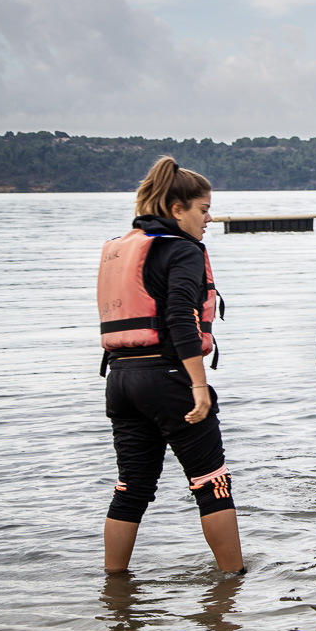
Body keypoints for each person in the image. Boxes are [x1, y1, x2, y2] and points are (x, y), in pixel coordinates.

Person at [96, 156, 243, 575]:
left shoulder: (124, 247)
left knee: (132, 487)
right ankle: (233, 584)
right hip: (168, 377)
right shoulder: (181, 250)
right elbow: (182, 317)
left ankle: (115, 587)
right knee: (211, 483)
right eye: (203, 209)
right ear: (177, 210)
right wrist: (199, 386)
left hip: (121, 379)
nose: (209, 218)